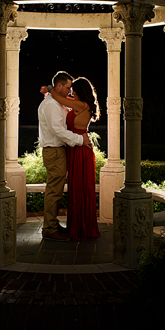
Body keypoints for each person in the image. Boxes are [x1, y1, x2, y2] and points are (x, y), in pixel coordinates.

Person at [37, 71, 91, 241]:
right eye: (68, 87)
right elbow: (57, 130)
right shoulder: (52, 105)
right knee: (54, 191)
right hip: (54, 150)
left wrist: (49, 89)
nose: (70, 91)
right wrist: (80, 140)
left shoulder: (58, 103)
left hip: (61, 150)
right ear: (59, 86)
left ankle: (52, 224)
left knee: (57, 191)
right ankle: (49, 229)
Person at [47, 76, 102, 242]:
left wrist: (50, 89)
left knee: (80, 187)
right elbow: (64, 100)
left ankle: (81, 228)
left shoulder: (81, 105)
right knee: (77, 187)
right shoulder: (81, 104)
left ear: (79, 91)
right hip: (76, 147)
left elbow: (59, 97)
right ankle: (79, 225)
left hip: (79, 150)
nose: (71, 93)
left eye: (73, 90)